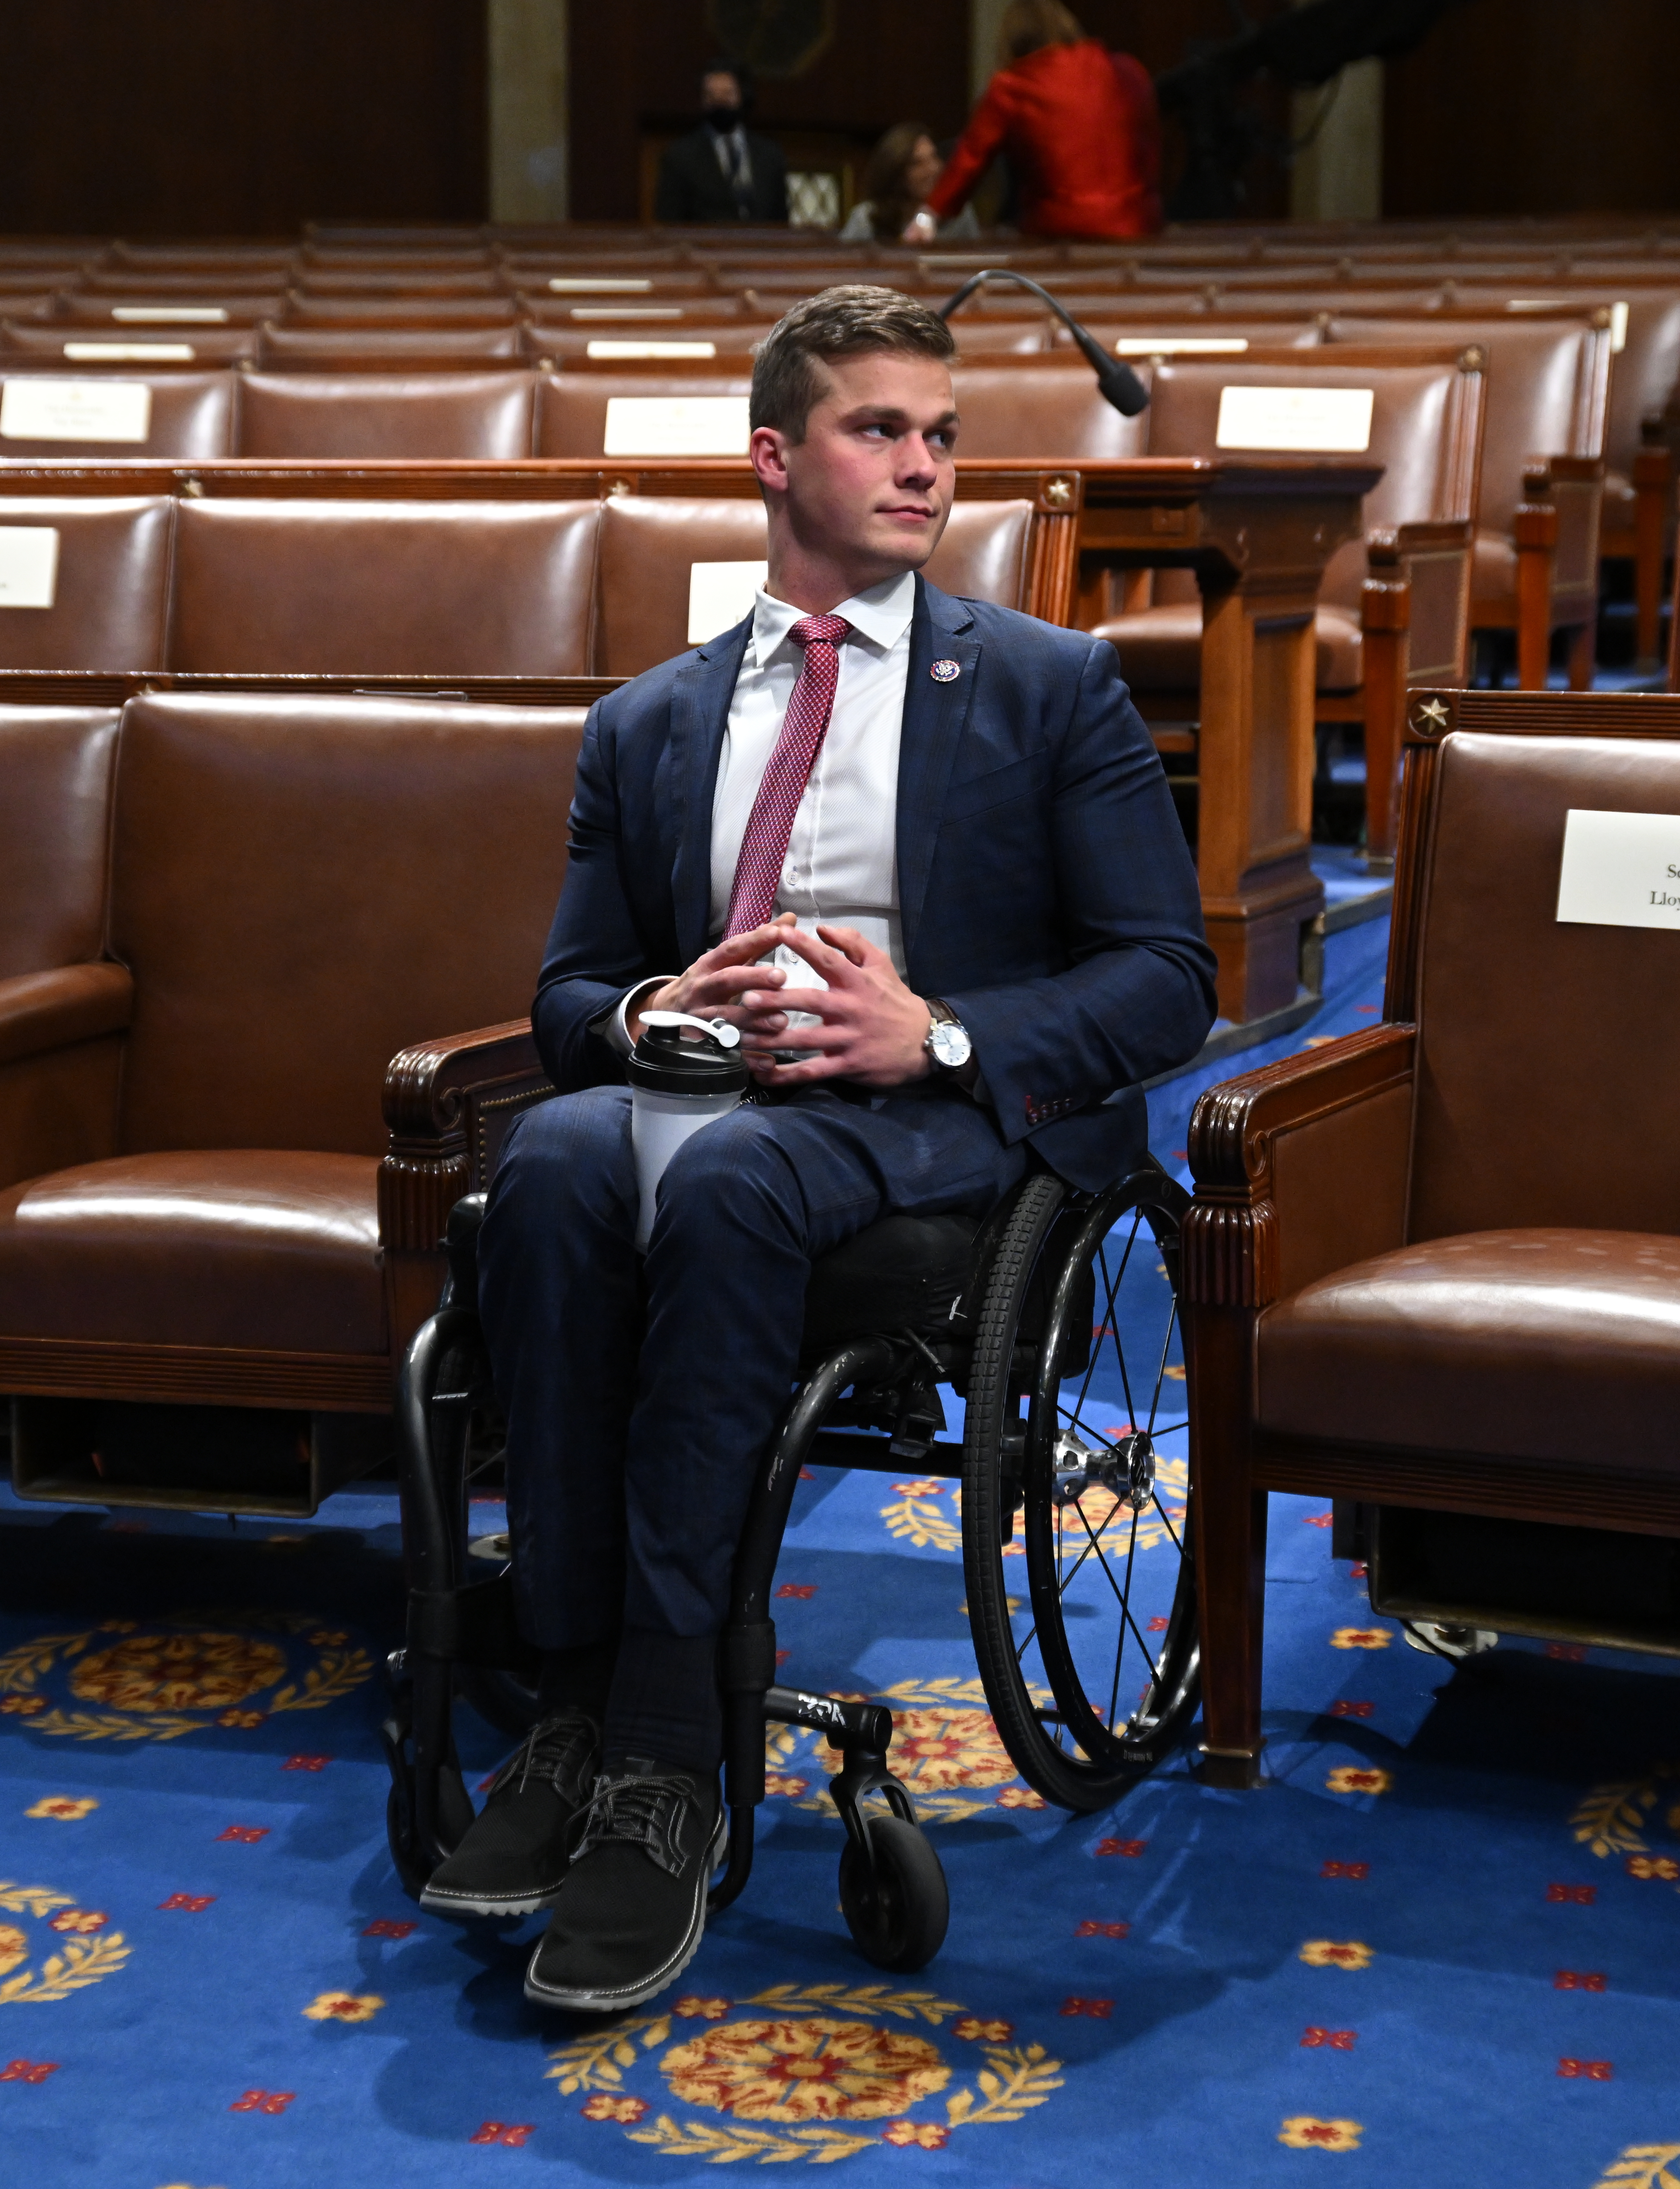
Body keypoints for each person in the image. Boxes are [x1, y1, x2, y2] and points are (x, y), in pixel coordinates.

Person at [435, 285, 1216, 2013]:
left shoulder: (1047, 688)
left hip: (938, 1127)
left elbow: (1173, 980)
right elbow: (566, 988)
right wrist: (649, 1016)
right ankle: (566, 1705)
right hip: (704, 1097)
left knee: (723, 1183)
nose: (926, 466)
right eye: (883, 431)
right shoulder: (651, 719)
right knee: (556, 1162)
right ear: (776, 459)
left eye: (942, 436)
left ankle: (658, 1762)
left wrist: (929, 1030)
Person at [903, 1, 1161, 244]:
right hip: (1136, 224)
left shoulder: (1013, 86)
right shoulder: (1128, 70)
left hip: (1060, 227)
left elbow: (971, 157)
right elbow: (1149, 151)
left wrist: (928, 217)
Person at [652, 62, 791, 225]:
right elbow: (670, 221)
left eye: (727, 95)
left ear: (742, 96)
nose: (720, 103)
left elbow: (781, 218)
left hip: (760, 247)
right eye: (711, 96)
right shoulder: (680, 157)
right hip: (704, 248)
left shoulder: (769, 155)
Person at [839, 122, 979, 245]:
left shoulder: (959, 214)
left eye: (934, 157)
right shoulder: (867, 217)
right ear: (896, 173)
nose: (933, 169)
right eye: (917, 164)